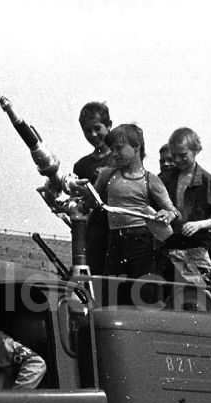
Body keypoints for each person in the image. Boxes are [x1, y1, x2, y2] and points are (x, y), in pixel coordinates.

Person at [89, 123, 178, 304]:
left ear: (137, 146)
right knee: (110, 297)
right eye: (112, 149)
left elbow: (173, 211)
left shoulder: (150, 180)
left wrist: (168, 215)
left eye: (119, 148)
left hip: (141, 244)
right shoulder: (108, 175)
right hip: (114, 242)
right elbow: (90, 202)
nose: (114, 153)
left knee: (144, 297)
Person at [157, 127, 211, 309]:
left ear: (196, 150)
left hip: (196, 250)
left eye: (182, 155)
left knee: (198, 302)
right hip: (170, 248)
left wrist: (200, 224)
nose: (177, 160)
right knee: (168, 303)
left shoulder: (209, 182)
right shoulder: (164, 179)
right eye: (174, 155)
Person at [73, 102, 114, 275]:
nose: (93, 134)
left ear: (109, 125)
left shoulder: (121, 160)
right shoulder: (81, 166)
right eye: (87, 130)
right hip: (92, 236)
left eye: (97, 128)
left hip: (117, 234)